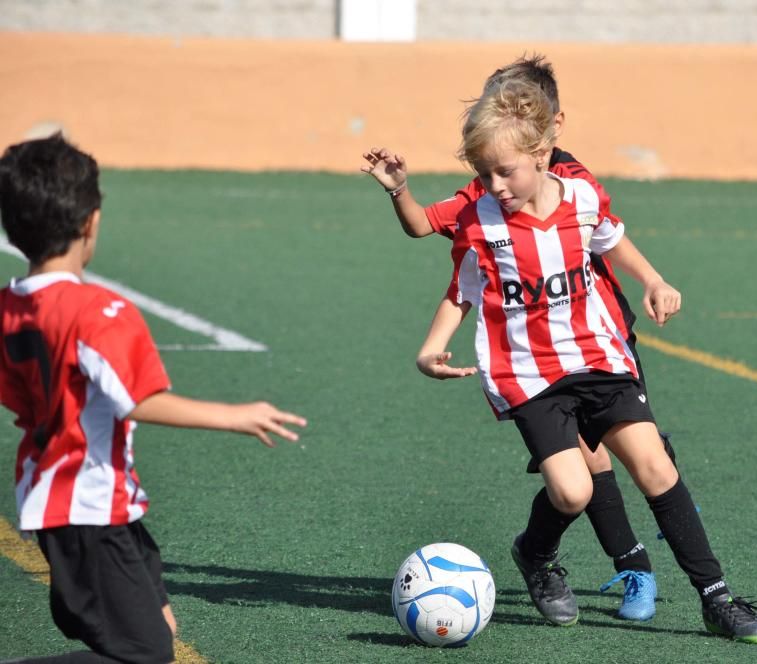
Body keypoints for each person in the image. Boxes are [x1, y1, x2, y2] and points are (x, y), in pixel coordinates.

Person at [412, 79, 757, 643]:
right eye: (484, 174)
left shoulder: (581, 195)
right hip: (530, 376)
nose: (494, 185)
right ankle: (535, 554)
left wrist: (654, 280)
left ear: (540, 154)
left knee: (656, 467)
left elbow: (610, 239)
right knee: (573, 491)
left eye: (505, 171)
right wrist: (430, 349)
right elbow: (461, 291)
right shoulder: (479, 221)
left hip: (598, 355)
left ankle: (717, 600)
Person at [362, 53, 675, 622]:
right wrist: (399, 191)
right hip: (537, 355)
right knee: (587, 466)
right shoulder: (486, 193)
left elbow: (610, 238)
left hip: (602, 338)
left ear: (551, 124)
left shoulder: (571, 182)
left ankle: (632, 557)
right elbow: (430, 237)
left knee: (641, 458)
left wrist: (652, 278)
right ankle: (633, 568)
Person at [0, 134, 307, 663]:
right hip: (86, 504)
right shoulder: (97, 312)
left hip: (78, 501)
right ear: (90, 222)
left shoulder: (9, 306)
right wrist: (234, 416)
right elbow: (136, 398)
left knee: (155, 627)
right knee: (144, 655)